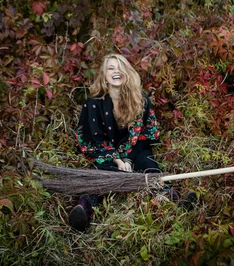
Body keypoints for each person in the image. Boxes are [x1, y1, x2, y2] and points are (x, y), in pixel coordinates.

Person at [68, 54, 194, 231]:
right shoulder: (93, 103)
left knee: (148, 163)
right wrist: (117, 160)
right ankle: (84, 208)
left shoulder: (140, 101)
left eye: (120, 67)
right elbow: (94, 138)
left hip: (135, 151)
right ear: (104, 75)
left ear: (127, 72)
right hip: (106, 155)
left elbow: (147, 135)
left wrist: (128, 159)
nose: (116, 71)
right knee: (101, 174)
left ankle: (172, 199)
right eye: (111, 68)